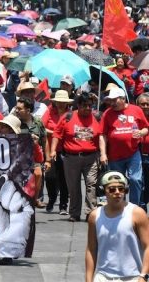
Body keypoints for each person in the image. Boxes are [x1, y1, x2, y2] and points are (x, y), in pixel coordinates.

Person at [85, 171, 149, 282]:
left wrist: (143, 275)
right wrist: (88, 279)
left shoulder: (137, 214)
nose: (117, 192)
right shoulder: (94, 216)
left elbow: (148, 246)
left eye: (121, 188)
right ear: (103, 191)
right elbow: (91, 249)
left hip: (133, 277)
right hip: (103, 277)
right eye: (112, 189)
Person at [51, 93, 104, 222]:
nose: (87, 108)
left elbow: (102, 136)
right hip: (71, 158)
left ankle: (90, 212)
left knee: (91, 184)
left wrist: (103, 154)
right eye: (84, 106)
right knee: (73, 187)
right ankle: (74, 213)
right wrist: (53, 151)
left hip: (91, 157)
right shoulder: (68, 117)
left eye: (90, 106)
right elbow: (57, 134)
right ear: (78, 106)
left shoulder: (97, 117)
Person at [101, 87, 149, 206]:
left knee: (135, 180)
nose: (112, 103)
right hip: (115, 156)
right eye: (110, 100)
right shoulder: (107, 113)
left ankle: (133, 207)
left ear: (123, 99)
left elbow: (146, 127)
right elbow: (102, 135)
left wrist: (141, 132)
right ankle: (119, 207)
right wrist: (103, 154)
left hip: (133, 153)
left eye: (114, 100)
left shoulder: (136, 110)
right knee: (117, 183)